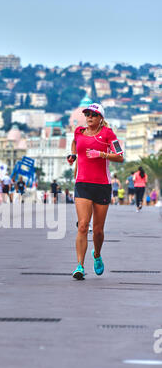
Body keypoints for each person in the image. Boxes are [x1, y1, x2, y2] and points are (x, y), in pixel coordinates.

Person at [67, 102, 124, 280]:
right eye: (87, 114)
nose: (89, 117)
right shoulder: (79, 132)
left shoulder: (108, 133)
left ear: (101, 118)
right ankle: (79, 266)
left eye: (93, 114)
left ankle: (97, 254)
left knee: (98, 230)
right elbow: (75, 144)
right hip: (82, 183)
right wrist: (73, 156)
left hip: (102, 185)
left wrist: (102, 154)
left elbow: (120, 156)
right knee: (83, 225)